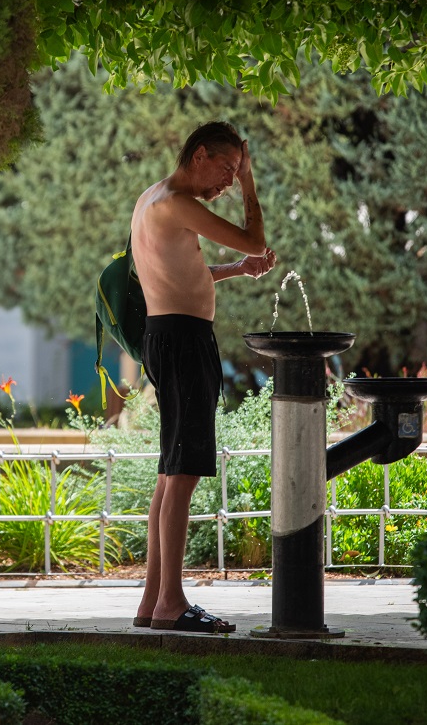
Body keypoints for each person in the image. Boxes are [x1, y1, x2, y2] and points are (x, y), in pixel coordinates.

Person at [128, 121, 277, 634]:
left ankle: (152, 602)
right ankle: (171, 602)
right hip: (185, 343)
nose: (230, 183)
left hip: (167, 336)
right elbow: (257, 236)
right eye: (227, 169)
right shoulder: (181, 202)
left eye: (238, 174)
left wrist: (235, 270)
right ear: (198, 155)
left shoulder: (153, 199)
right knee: (185, 471)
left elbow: (180, 273)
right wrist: (255, 182)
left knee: (171, 472)